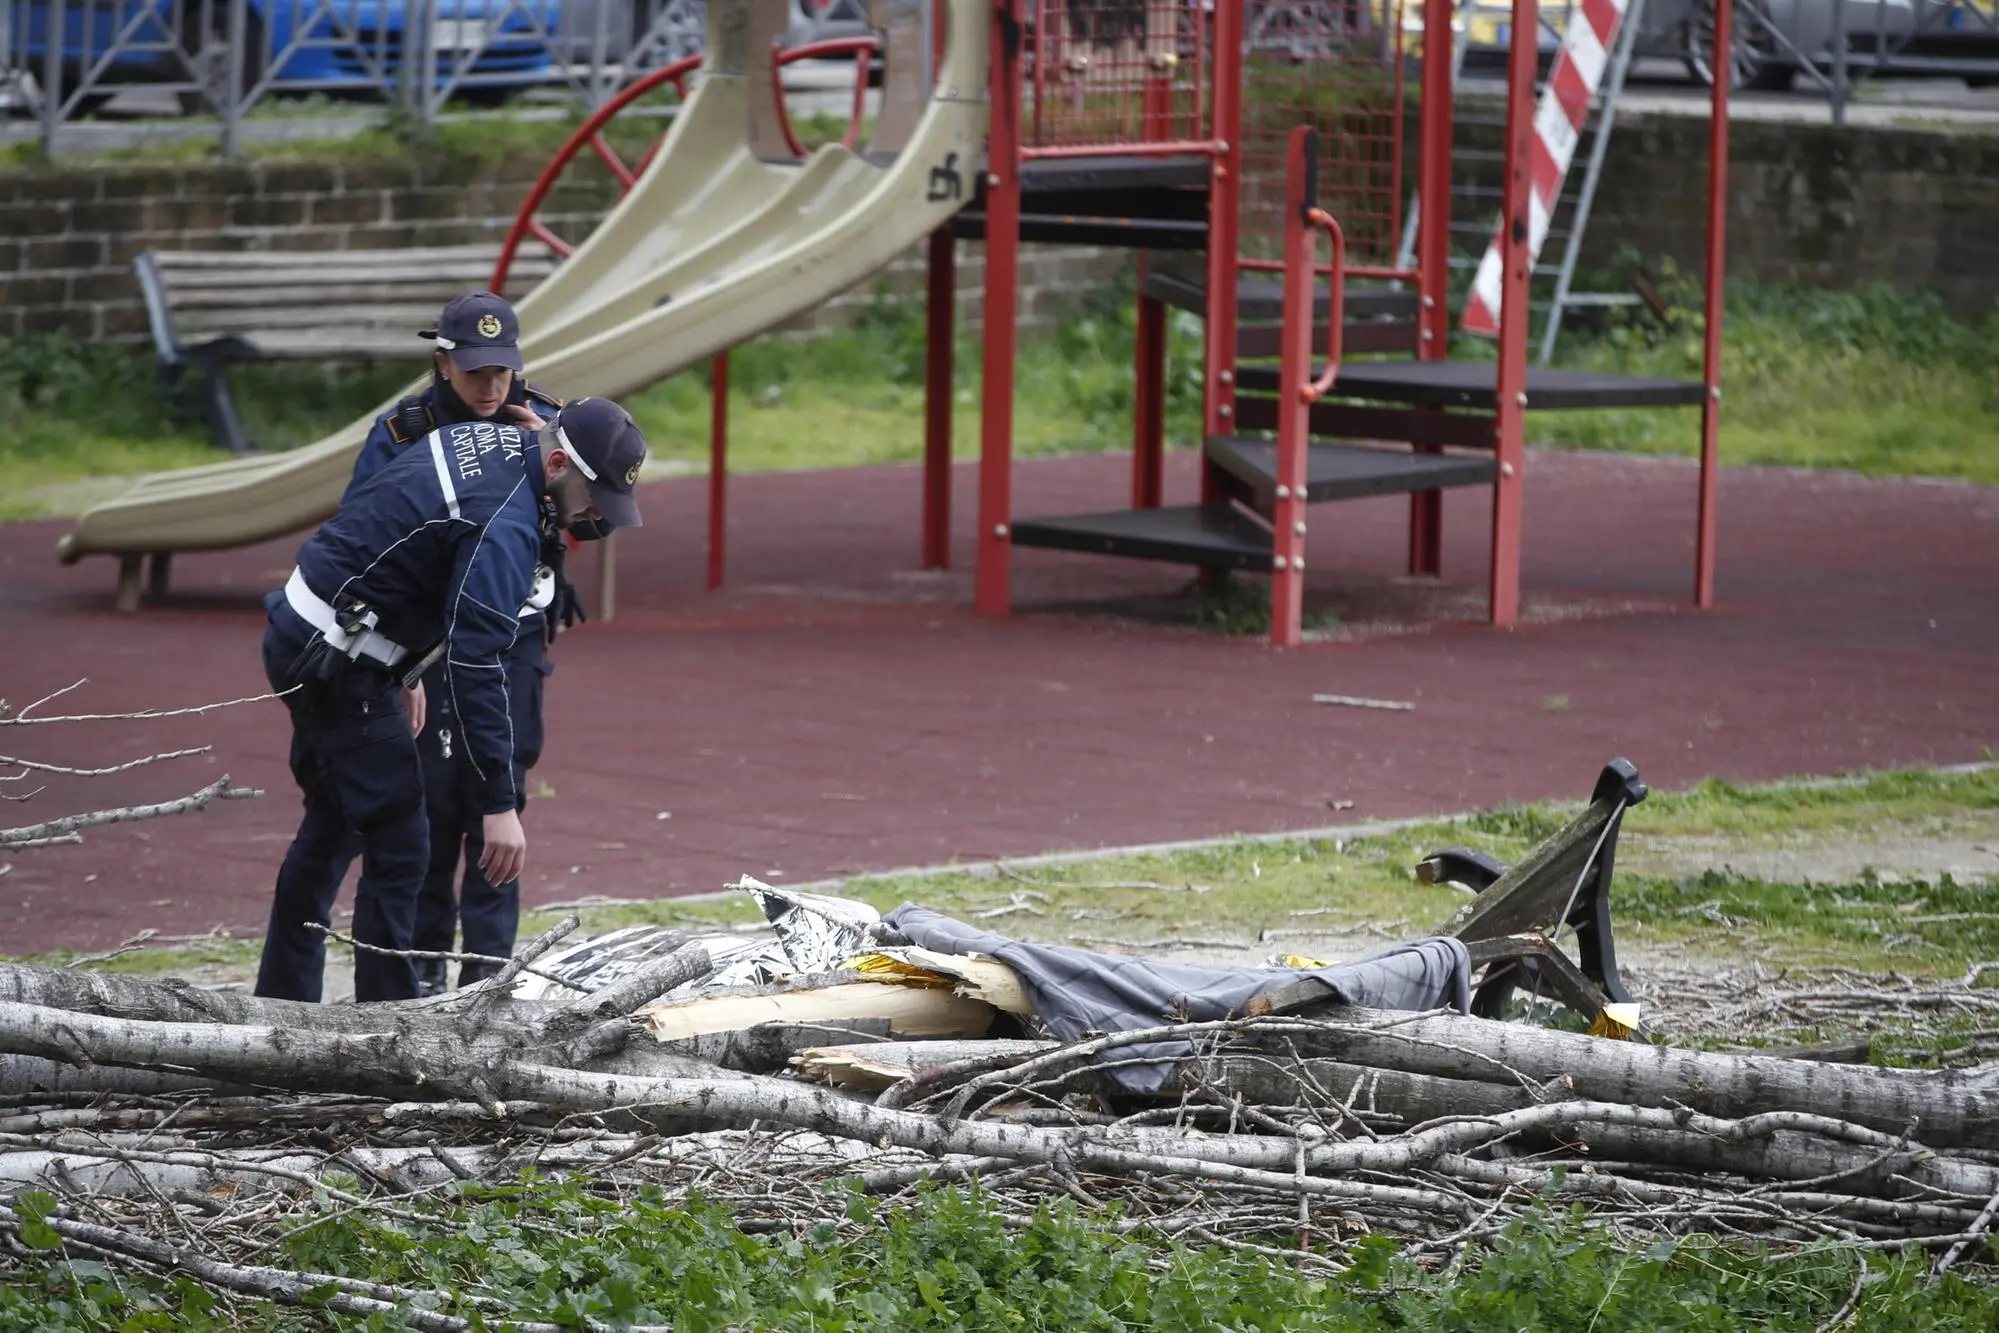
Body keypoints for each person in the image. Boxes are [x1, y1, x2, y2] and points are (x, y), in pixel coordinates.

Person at [255, 396, 649, 1003]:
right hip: (336, 659)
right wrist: (498, 803)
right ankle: (389, 1023)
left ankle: (282, 1000)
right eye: (595, 496)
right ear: (557, 466)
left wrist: (403, 669)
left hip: (317, 627)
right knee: (401, 839)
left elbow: (401, 539)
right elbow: (475, 662)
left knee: (333, 824)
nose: (597, 515)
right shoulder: (506, 524)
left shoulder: (490, 443)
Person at [342, 292, 605, 995]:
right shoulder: (404, 431)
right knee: (431, 799)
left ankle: (489, 974)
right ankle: (425, 966)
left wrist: (549, 450)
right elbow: (365, 542)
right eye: (475, 372)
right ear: (442, 363)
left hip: (512, 629)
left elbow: (596, 505)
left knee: (503, 784)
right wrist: (403, 660)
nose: (490, 387)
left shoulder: (541, 413)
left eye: (502, 371)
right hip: (426, 645)